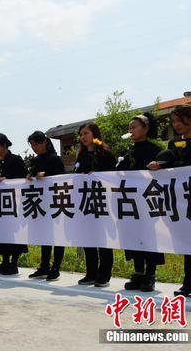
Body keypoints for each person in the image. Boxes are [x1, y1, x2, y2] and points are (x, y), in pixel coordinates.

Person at [147, 105, 191, 300]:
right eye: (173, 121)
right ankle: (189, 283)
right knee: (189, 243)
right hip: (183, 202)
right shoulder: (172, 145)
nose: (176, 125)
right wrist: (159, 166)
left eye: (179, 120)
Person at [115, 113, 165, 292]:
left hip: (149, 200)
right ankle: (137, 273)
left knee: (149, 237)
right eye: (130, 127)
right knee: (134, 237)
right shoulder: (127, 152)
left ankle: (150, 275)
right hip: (130, 201)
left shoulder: (155, 150)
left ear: (145, 128)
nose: (131, 130)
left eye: (135, 126)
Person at [74, 122, 117, 287]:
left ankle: (104, 274)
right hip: (85, 203)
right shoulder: (81, 156)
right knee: (88, 238)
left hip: (103, 203)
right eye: (81, 134)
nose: (83, 137)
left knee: (103, 239)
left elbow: (113, 177)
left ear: (95, 134)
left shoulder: (106, 155)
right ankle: (91, 273)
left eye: (86, 133)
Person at [0, 133, 27, 275]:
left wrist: (9, 179)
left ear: (4, 145)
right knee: (3, 233)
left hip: (14, 202)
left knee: (14, 233)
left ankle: (13, 264)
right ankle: (5, 262)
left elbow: (23, 177)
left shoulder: (16, 159)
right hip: (1, 204)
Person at [25, 131, 66, 281]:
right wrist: (29, 175)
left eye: (36, 144)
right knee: (45, 236)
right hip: (41, 203)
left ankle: (56, 267)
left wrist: (47, 174)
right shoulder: (35, 160)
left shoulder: (55, 159)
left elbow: (62, 178)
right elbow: (31, 172)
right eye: (32, 145)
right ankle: (44, 266)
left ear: (44, 142)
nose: (34, 147)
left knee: (57, 236)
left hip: (56, 202)